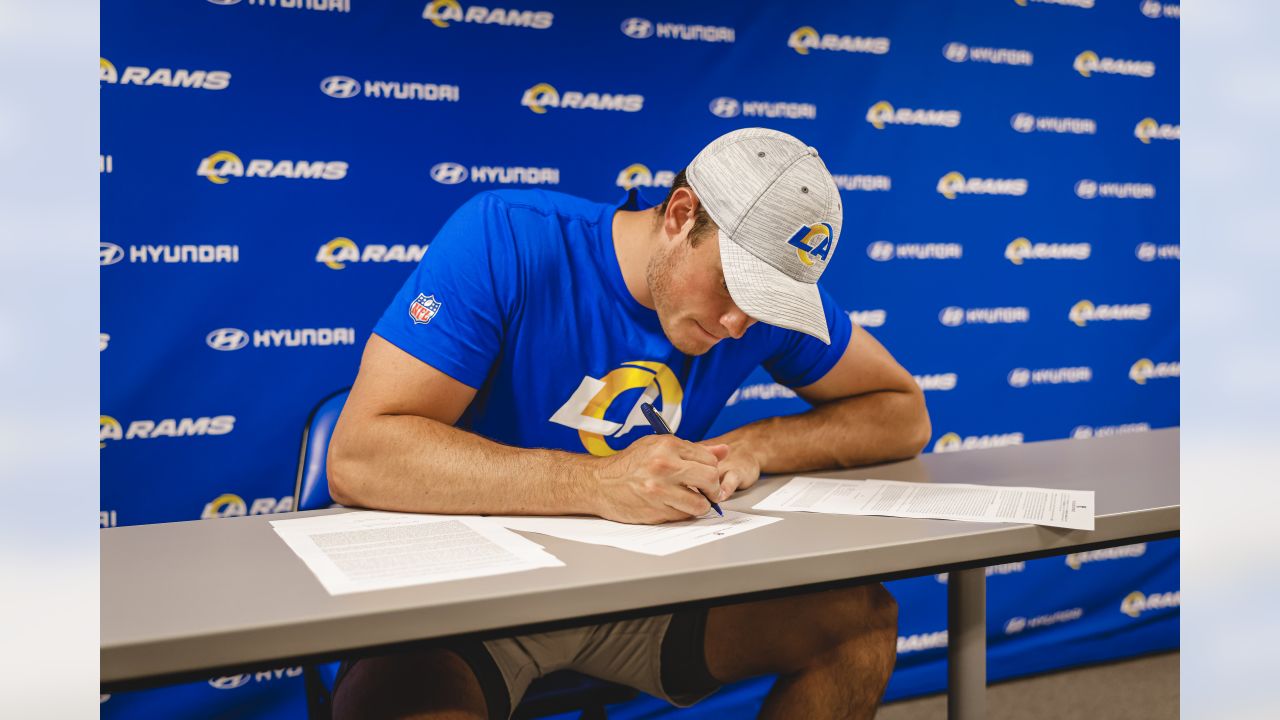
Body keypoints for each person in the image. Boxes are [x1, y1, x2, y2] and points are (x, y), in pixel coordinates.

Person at [327, 128, 930, 720]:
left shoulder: (758, 300)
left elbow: (903, 413)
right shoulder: (506, 235)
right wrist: (595, 483)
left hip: (650, 587)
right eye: (734, 285)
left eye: (770, 303)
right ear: (680, 214)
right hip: (470, 591)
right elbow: (360, 456)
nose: (739, 323)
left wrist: (754, 443)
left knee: (858, 623)